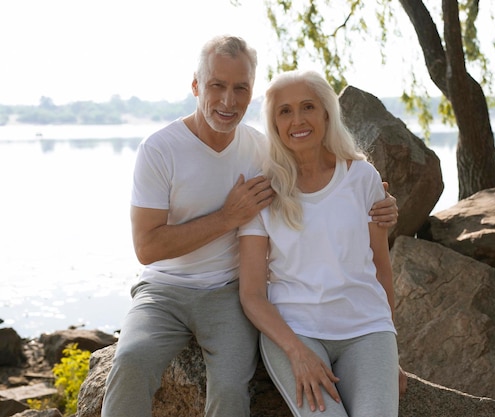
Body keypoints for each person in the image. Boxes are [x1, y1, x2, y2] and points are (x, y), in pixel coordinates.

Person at [101, 35, 399, 417]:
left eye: (240, 88)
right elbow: (146, 248)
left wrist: (384, 206)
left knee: (229, 384)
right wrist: (228, 217)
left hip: (228, 291)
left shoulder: (262, 152)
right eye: (217, 86)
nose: (228, 100)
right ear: (196, 86)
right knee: (130, 361)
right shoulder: (159, 150)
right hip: (164, 290)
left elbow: (333, 193)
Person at [238, 69, 406, 417]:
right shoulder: (263, 191)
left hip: (366, 329)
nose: (297, 120)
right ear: (273, 123)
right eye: (284, 111)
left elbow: (381, 269)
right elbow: (252, 294)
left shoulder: (362, 178)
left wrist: (390, 355)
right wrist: (297, 353)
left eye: (308, 107)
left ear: (327, 113)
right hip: (296, 330)